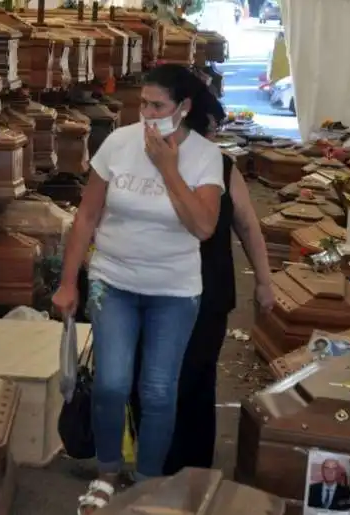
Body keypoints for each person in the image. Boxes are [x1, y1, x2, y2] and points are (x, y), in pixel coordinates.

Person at [52, 64, 226, 514]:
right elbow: (87, 216)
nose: (146, 114)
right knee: (111, 384)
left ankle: (148, 485)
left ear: (183, 108)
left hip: (175, 290)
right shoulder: (118, 143)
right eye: (142, 104)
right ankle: (107, 474)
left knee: (157, 391)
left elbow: (204, 226)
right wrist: (69, 281)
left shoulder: (205, 157)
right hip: (114, 282)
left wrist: (168, 169)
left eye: (157, 106)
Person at [129, 104, 274, 477]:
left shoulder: (222, 168)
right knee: (175, 378)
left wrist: (264, 280)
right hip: (162, 287)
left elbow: (247, 226)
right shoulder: (149, 166)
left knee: (189, 378)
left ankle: (180, 468)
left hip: (198, 292)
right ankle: (172, 466)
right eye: (210, 130)